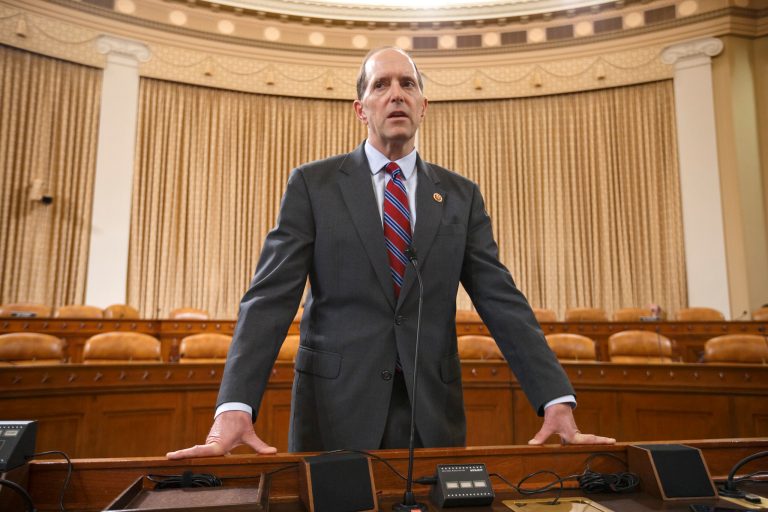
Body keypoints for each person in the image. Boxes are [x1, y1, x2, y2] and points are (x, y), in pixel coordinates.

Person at [167, 47, 614, 459]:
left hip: (431, 412)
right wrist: (234, 405)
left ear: (423, 105)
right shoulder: (313, 185)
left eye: (408, 84)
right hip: (334, 408)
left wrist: (554, 397)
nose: (396, 94)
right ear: (361, 110)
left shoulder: (461, 195)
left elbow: (501, 300)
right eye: (381, 85)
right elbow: (269, 299)